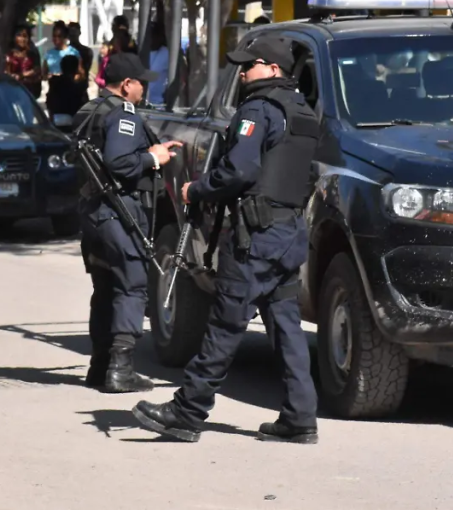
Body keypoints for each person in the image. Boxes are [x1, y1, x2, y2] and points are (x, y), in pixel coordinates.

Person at [131, 35, 321, 444]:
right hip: (288, 234)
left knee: (224, 323)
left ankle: (187, 412)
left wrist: (195, 191)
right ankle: (300, 417)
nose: (242, 72)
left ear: (272, 70)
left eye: (249, 65)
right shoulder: (302, 112)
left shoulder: (259, 108)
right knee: (286, 326)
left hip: (256, 237)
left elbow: (239, 171)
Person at [73, 52, 182, 393]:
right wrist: (154, 157)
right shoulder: (123, 115)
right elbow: (119, 161)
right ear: (126, 85)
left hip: (93, 211)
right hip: (116, 210)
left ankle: (100, 366)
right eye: (140, 83)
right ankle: (120, 370)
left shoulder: (92, 110)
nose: (144, 89)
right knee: (132, 284)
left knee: (105, 287)